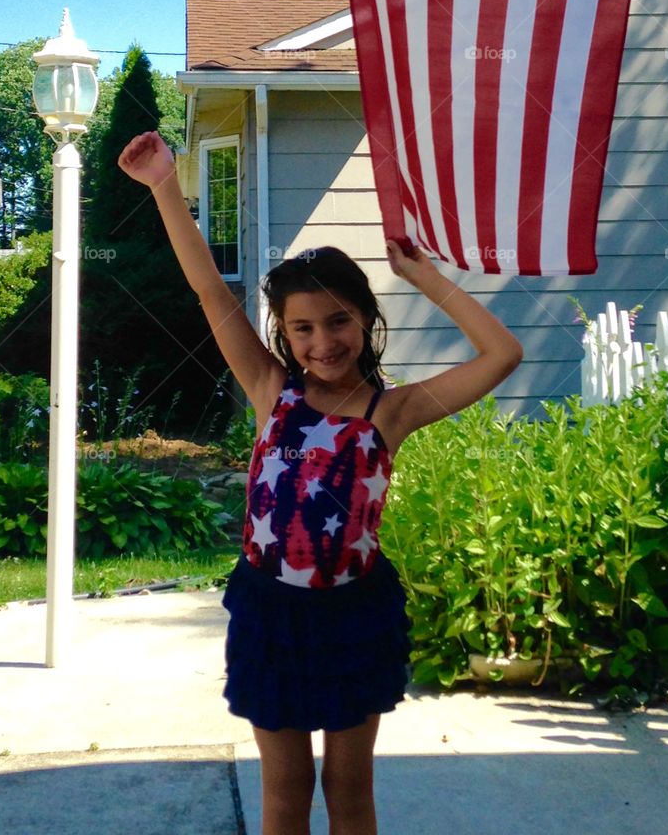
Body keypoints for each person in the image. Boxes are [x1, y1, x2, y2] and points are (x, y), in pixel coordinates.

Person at [118, 130, 524, 835]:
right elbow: (210, 289)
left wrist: (424, 276)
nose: (323, 340)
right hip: (269, 612)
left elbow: (502, 354)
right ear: (283, 333)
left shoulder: (391, 411)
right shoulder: (269, 389)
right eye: (302, 327)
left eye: (339, 321)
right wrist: (163, 188)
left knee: (348, 787)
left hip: (353, 616)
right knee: (285, 789)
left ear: (366, 320)